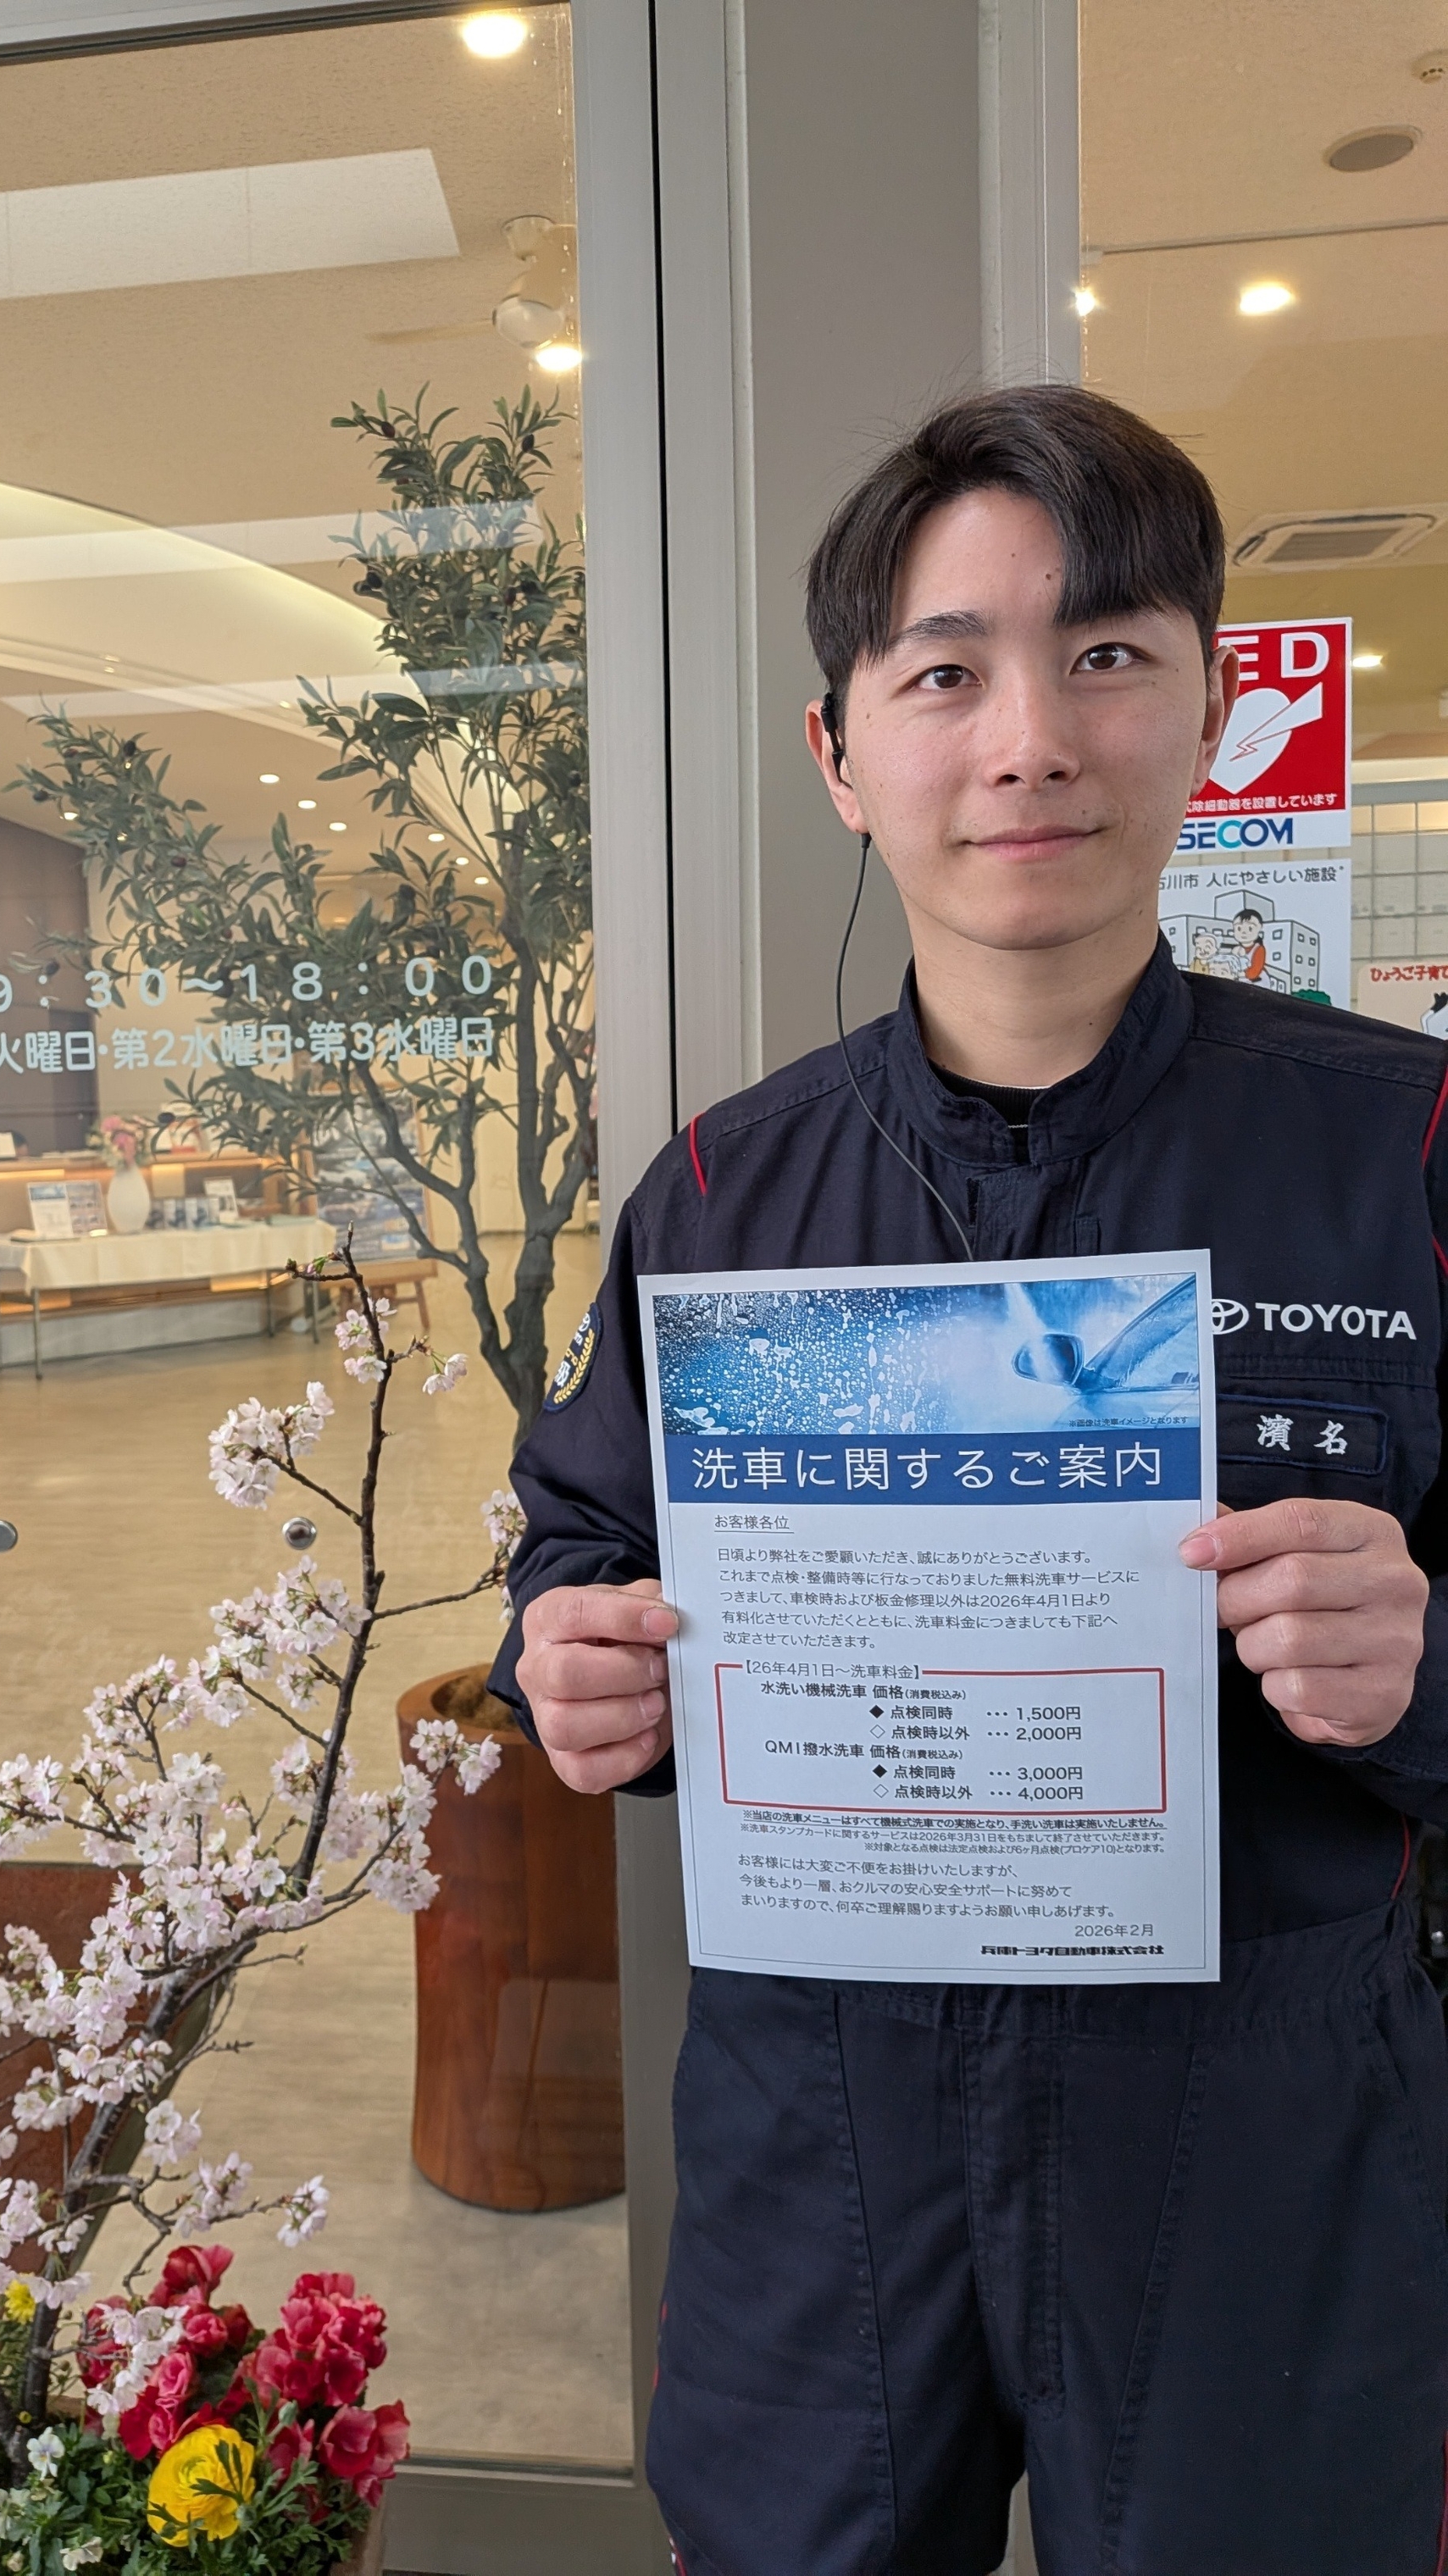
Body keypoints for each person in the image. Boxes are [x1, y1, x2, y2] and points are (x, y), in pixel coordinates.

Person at [489, 385, 1448, 2576]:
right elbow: (585, 1535)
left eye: (1106, 655)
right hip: (826, 2130)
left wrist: (1424, 1658)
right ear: (842, 755)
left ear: (1213, 707)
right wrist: (574, 1663)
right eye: (947, 673)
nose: (1031, 742)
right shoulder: (724, 1196)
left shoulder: (1398, 1153)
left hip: (1263, 2126)